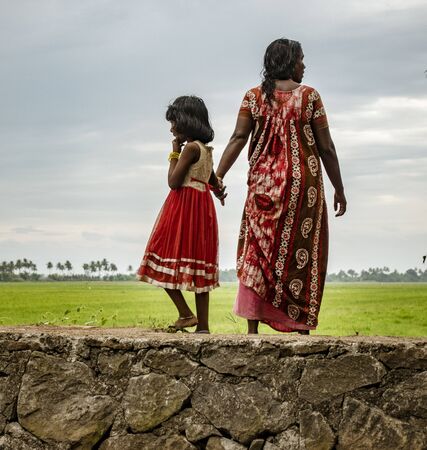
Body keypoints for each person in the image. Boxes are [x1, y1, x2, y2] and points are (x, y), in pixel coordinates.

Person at [215, 38, 347, 334]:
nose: (304, 65)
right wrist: (339, 187)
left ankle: (252, 330)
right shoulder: (310, 98)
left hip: (263, 186)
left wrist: (219, 175)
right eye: (301, 59)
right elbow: (326, 148)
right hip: (304, 189)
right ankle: (299, 325)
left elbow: (237, 138)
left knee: (256, 252)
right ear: (289, 61)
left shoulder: (252, 97)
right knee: (301, 252)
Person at [138, 95, 222, 334]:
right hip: (203, 210)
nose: (172, 129)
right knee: (199, 266)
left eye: (174, 123)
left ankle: (185, 314)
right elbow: (213, 179)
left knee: (160, 257)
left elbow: (173, 182)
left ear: (187, 122)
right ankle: (203, 326)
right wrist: (220, 192)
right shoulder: (206, 150)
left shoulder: (190, 149)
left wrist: (174, 153)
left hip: (183, 208)